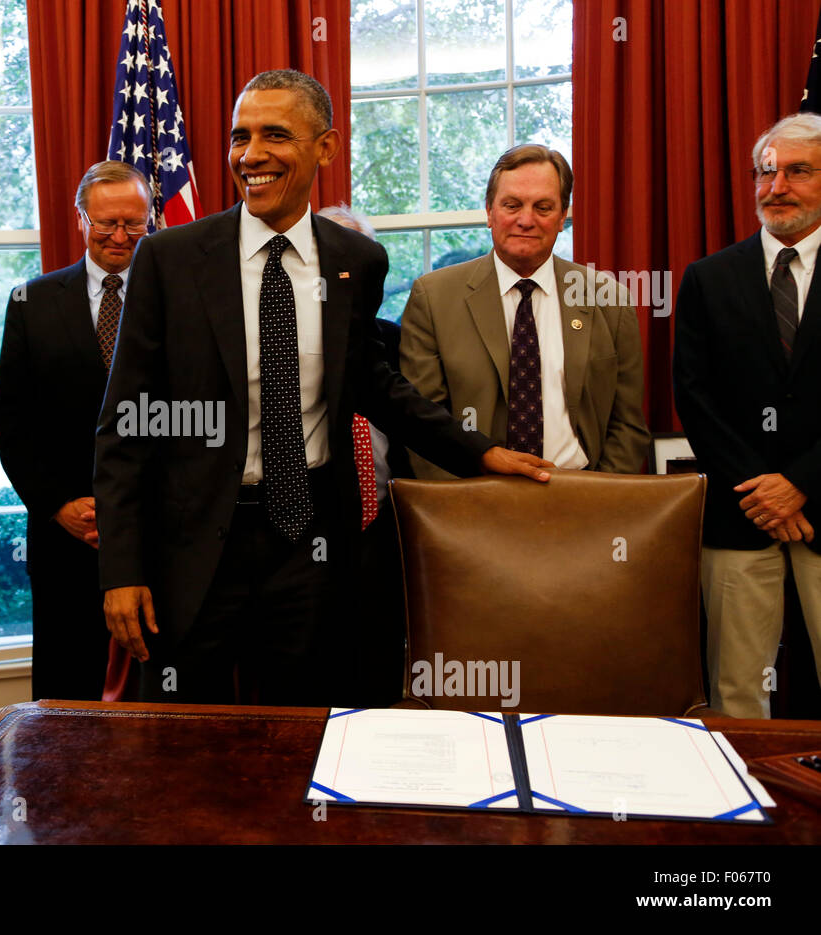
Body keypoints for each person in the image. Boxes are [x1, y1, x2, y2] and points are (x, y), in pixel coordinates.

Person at [94, 69, 552, 706]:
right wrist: (122, 569)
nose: (250, 155)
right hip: (195, 547)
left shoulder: (356, 260)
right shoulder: (170, 258)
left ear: (326, 147)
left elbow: (373, 382)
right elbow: (126, 425)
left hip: (309, 542)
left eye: (274, 135)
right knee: (182, 739)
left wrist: (478, 451)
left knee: (308, 726)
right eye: (239, 137)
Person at [674, 113, 821, 718]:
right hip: (741, 513)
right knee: (738, 694)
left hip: (820, 506)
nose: (776, 186)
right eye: (766, 172)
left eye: (797, 171)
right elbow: (694, 396)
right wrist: (763, 490)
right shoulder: (709, 278)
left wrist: (801, 485)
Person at [0, 161, 152, 700]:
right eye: (106, 223)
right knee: (66, 696)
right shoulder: (31, 303)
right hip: (65, 533)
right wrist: (58, 502)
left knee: (164, 691)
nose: (120, 236)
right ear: (81, 218)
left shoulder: (179, 296)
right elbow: (10, 418)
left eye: (133, 222)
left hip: (160, 532)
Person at [399, 144, 649, 479]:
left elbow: (627, 426)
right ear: (489, 212)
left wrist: (601, 501)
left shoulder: (607, 298)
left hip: (584, 497)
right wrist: (458, 511)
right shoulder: (432, 298)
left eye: (543, 208)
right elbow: (423, 426)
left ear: (563, 217)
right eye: (512, 205)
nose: (525, 220)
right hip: (470, 502)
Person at [316, 203, 412, 707]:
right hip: (308, 531)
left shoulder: (396, 340)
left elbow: (419, 421)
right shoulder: (287, 342)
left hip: (386, 525)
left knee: (378, 669)